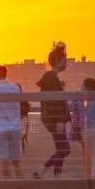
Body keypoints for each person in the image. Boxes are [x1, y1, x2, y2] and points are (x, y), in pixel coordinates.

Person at [36, 45, 73, 176]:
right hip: (55, 119)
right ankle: (42, 170)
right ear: (60, 61)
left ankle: (57, 176)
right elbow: (54, 102)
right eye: (65, 60)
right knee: (65, 149)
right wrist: (60, 120)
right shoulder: (51, 77)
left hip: (53, 118)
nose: (66, 63)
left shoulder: (52, 77)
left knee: (61, 148)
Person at [0, 65, 27, 178]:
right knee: (16, 162)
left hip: (0, 128)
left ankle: (8, 184)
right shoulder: (15, 87)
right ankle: (21, 184)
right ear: (5, 74)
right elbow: (21, 103)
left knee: (5, 162)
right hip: (15, 127)